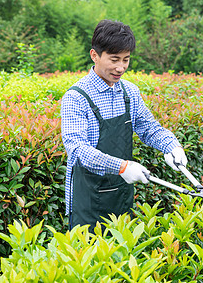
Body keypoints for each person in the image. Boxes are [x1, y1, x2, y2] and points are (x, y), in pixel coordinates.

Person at [61, 19, 188, 230]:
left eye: (126, 59)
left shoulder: (129, 92)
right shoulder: (76, 97)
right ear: (95, 55)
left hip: (121, 197)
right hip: (89, 204)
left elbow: (149, 128)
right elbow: (77, 149)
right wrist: (122, 166)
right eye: (114, 59)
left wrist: (171, 146)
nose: (120, 67)